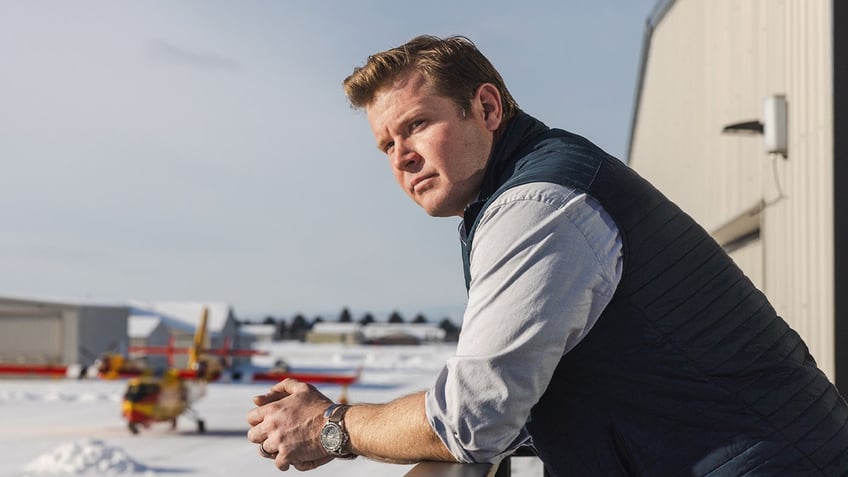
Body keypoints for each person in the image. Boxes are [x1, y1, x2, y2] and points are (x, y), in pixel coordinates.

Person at [247, 35, 848, 475]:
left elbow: (475, 416)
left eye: (416, 125)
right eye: (385, 144)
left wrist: (333, 427)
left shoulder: (539, 204)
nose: (400, 156)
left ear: (485, 109)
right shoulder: (518, 194)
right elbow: (526, 402)